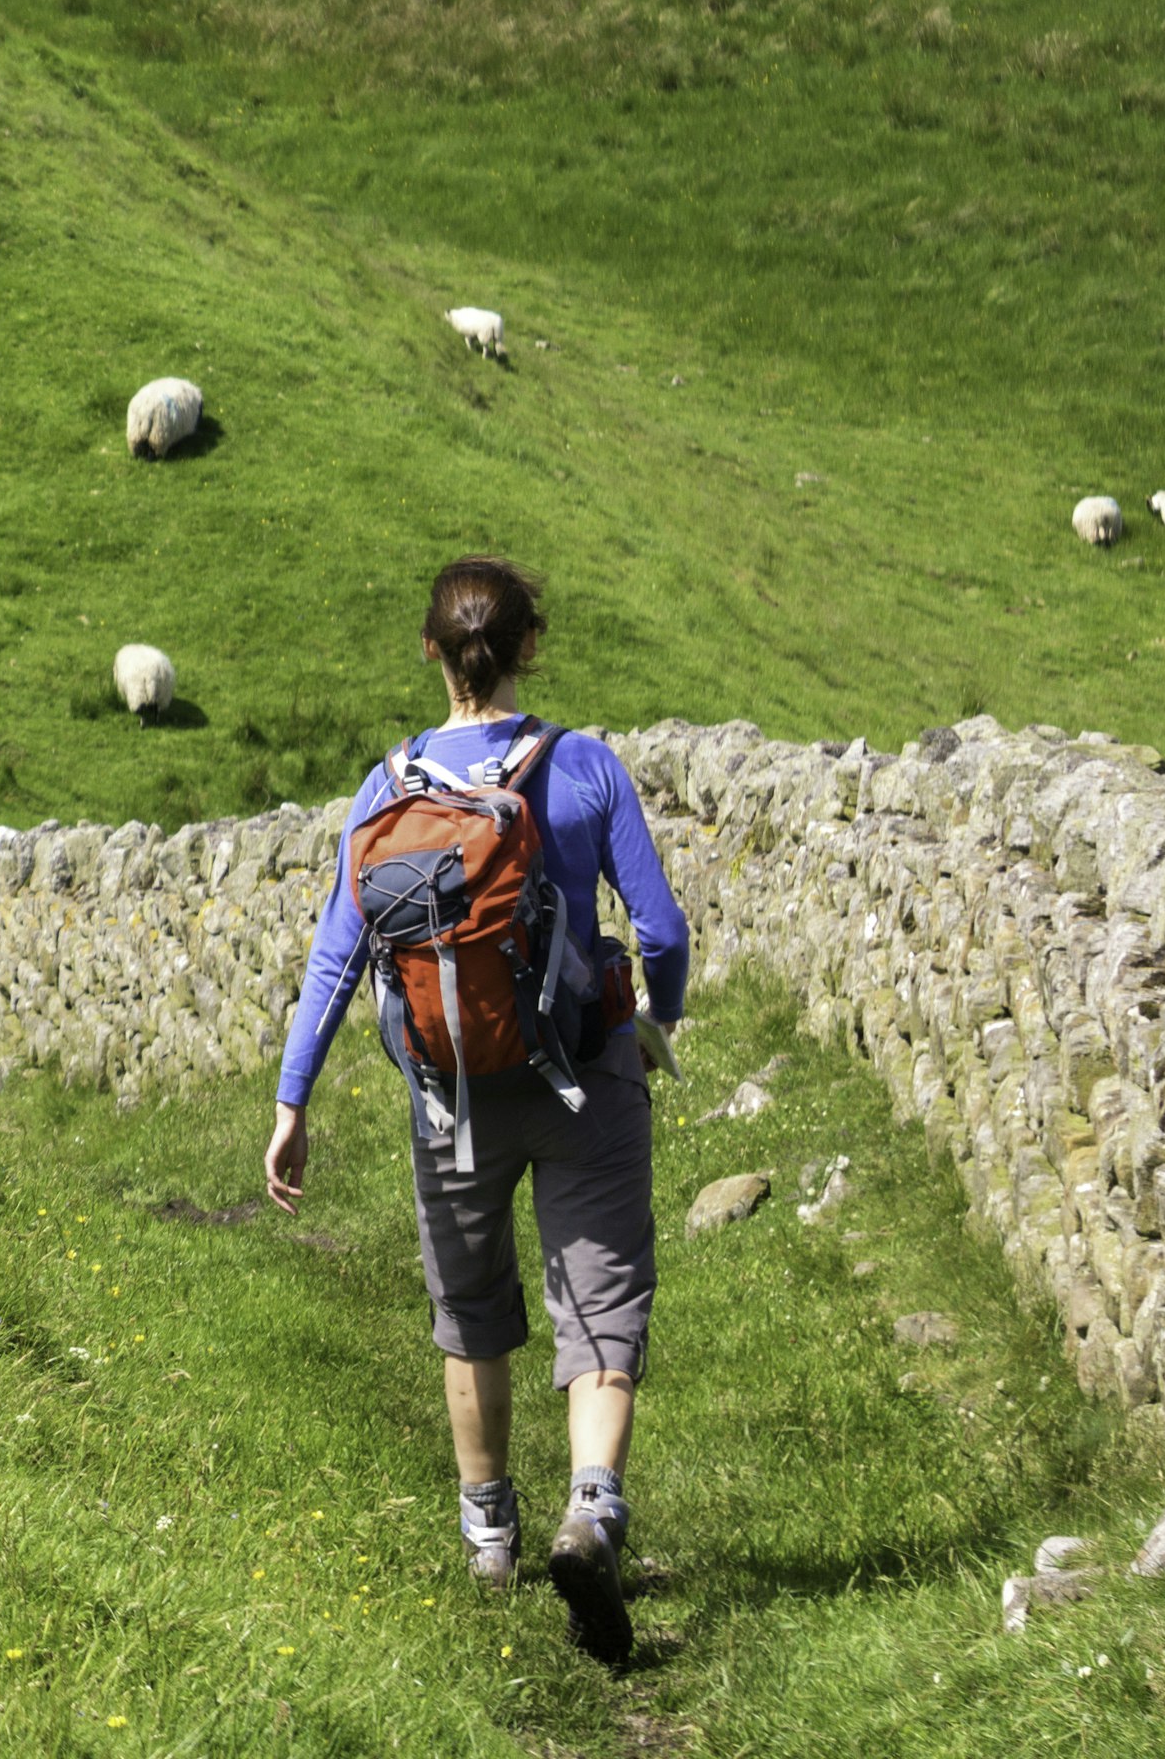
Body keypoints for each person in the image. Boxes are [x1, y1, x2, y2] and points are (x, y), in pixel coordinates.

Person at [258, 556, 687, 1666]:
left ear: (433, 653)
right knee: (601, 1297)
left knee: (472, 1310)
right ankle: (591, 1509)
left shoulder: (386, 787)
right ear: (529, 647)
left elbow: (337, 955)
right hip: (586, 1075)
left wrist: (292, 1098)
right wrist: (657, 1020)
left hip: (450, 1094)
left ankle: (488, 1537)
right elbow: (663, 930)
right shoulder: (585, 767)